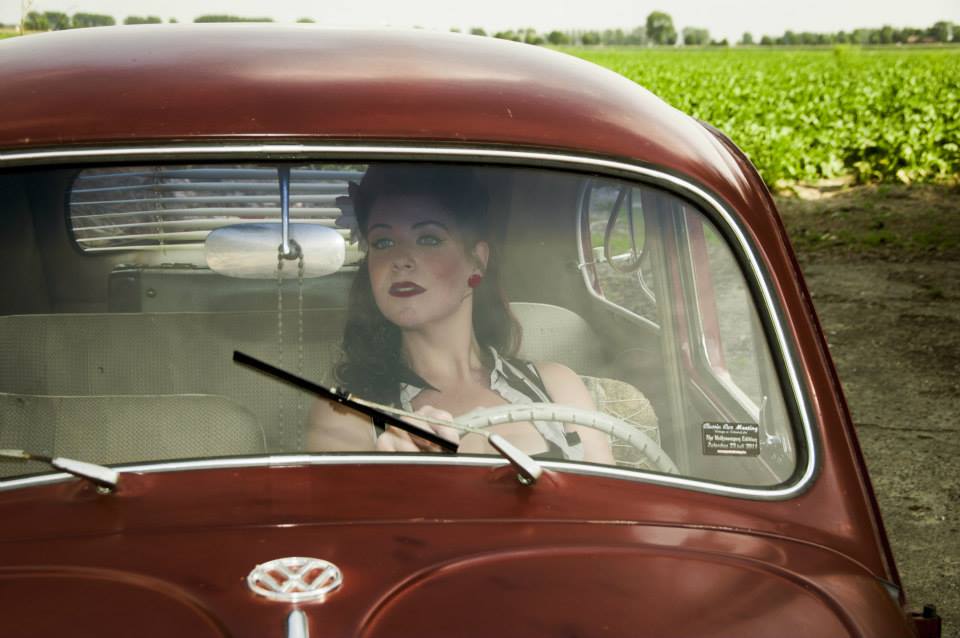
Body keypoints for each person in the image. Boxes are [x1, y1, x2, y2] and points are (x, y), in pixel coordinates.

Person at [307, 164, 614, 463]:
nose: (400, 259)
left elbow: (606, 495)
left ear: (477, 261)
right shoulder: (347, 413)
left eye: (428, 239)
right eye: (383, 242)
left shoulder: (557, 386)